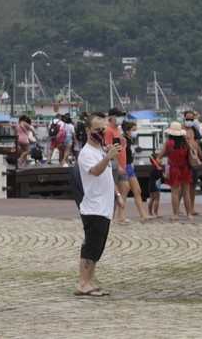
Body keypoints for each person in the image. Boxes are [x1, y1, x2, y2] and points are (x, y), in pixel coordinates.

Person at [75, 112, 121, 296]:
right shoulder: (87, 153)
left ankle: (90, 281)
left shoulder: (101, 150)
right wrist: (108, 156)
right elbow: (95, 171)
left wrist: (118, 194)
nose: (100, 133)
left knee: (98, 248)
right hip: (93, 207)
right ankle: (82, 283)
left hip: (105, 207)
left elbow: (109, 175)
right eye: (97, 130)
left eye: (103, 129)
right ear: (87, 130)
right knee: (91, 245)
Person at [154, 122, 194, 221]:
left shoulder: (168, 143)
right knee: (186, 192)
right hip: (185, 168)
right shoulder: (186, 143)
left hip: (174, 168)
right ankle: (189, 214)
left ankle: (175, 214)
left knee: (175, 193)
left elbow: (159, 156)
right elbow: (192, 152)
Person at [121, 120, 153, 222]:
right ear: (127, 131)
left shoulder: (131, 140)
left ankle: (143, 214)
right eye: (133, 130)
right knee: (123, 191)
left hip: (130, 166)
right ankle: (118, 215)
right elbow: (121, 154)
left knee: (137, 190)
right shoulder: (124, 140)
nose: (136, 132)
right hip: (124, 166)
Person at [105, 109, 130, 225]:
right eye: (118, 116)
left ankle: (120, 215)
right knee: (112, 191)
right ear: (111, 117)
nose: (120, 118)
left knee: (125, 187)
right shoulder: (108, 130)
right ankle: (110, 216)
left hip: (122, 164)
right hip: (115, 165)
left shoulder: (118, 130)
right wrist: (117, 165)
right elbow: (108, 147)